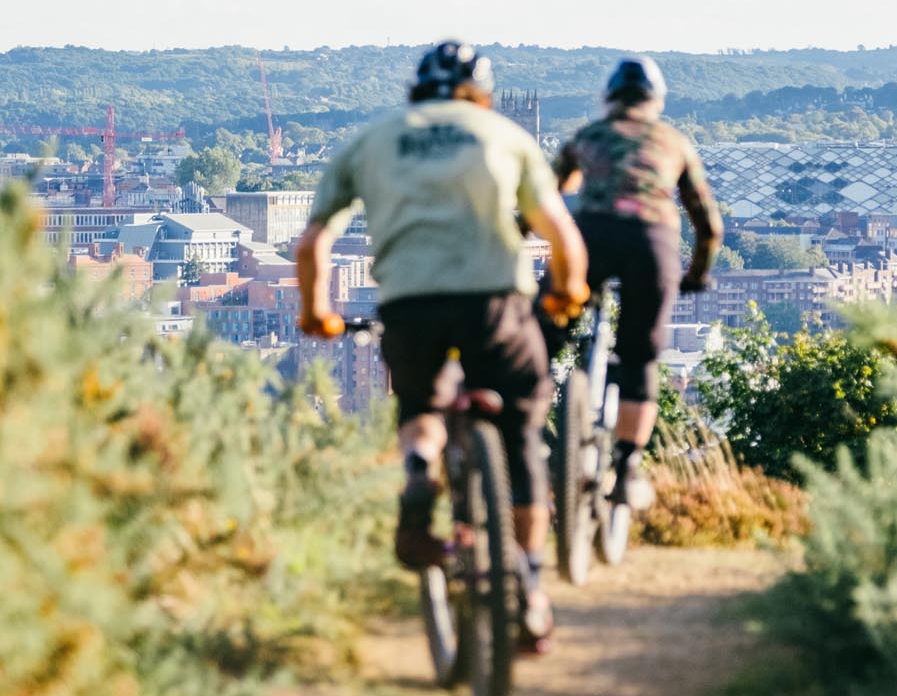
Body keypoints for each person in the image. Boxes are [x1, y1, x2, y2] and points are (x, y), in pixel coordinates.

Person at [296, 40, 588, 651]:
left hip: (410, 304)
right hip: (495, 303)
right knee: (523, 435)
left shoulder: (372, 140)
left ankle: (419, 472)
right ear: (480, 92)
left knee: (421, 411)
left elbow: (311, 245)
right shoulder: (502, 134)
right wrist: (566, 293)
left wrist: (317, 312)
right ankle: (530, 589)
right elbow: (561, 233)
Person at [547, 55, 723, 507]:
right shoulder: (673, 142)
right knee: (640, 356)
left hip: (592, 238)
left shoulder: (588, 137)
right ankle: (626, 468)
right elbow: (707, 223)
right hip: (651, 243)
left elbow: (548, 198)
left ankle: (531, 408)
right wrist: (696, 275)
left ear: (608, 100)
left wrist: (518, 239)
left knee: (545, 329)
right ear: (656, 101)